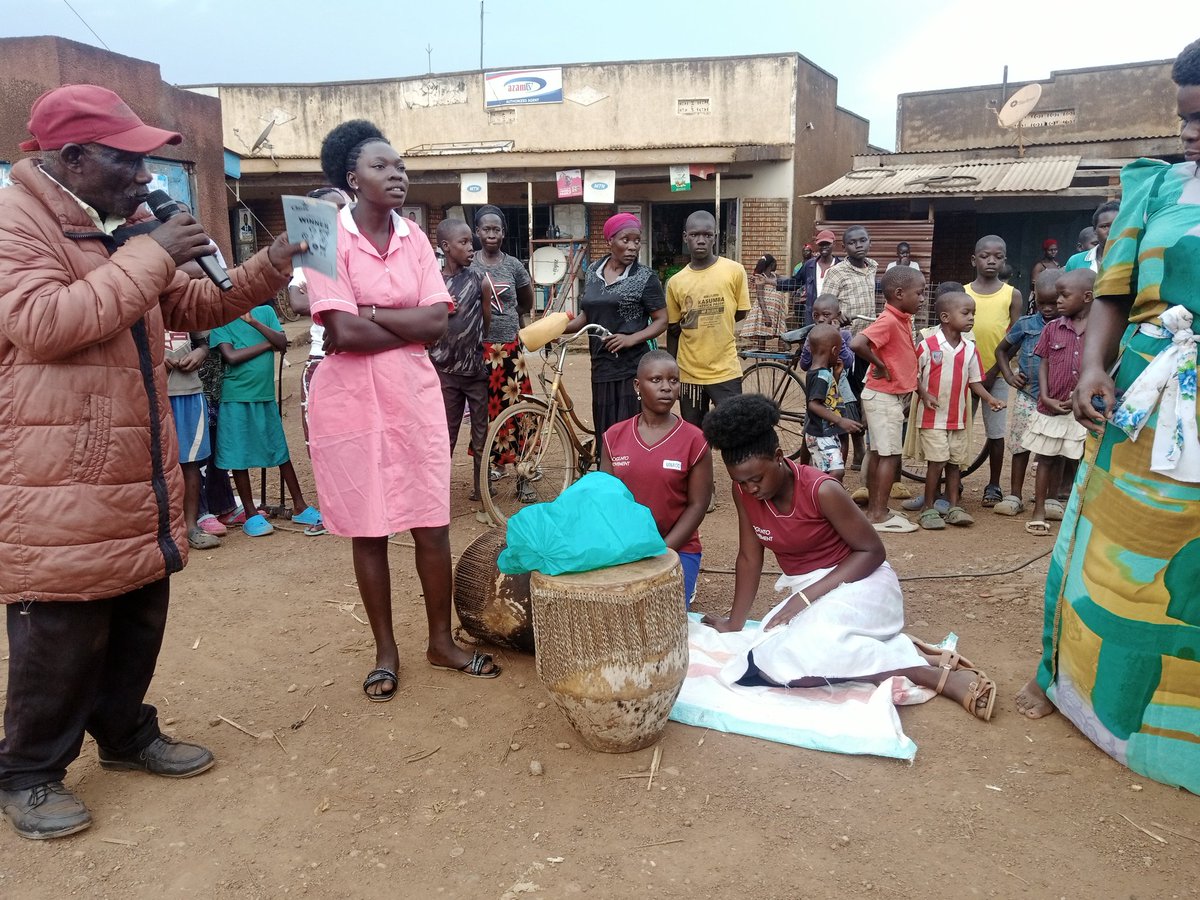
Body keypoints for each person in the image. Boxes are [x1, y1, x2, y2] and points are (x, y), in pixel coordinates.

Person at [0, 84, 304, 839]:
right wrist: (147, 252)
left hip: (133, 467)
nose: (147, 178)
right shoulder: (15, 223)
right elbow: (43, 324)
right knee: (62, 632)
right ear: (71, 157)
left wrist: (268, 266)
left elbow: (193, 308)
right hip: (56, 475)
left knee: (138, 611)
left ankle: (127, 735)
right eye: (128, 161)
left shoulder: (124, 226)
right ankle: (29, 772)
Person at [1016, 40, 1200, 796]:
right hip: (1143, 405)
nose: (1191, 136)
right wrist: (1093, 365)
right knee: (1109, 554)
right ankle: (1077, 693)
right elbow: (1116, 293)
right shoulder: (1158, 190)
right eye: (1186, 119)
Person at [305, 120, 501, 704]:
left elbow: (437, 323)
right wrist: (395, 320)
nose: (396, 175)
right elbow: (338, 331)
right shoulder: (320, 232)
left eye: (401, 167)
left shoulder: (416, 237)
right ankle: (385, 652)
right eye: (380, 166)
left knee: (430, 523)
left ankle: (441, 642)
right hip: (351, 404)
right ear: (351, 177)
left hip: (413, 397)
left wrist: (368, 309)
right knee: (369, 530)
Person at [697, 395, 995, 720]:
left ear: (780, 457)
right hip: (812, 591)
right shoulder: (743, 492)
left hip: (861, 583)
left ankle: (932, 675)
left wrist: (806, 599)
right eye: (741, 481)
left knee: (812, 652)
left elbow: (872, 551)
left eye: (756, 479)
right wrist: (735, 624)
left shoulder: (821, 490)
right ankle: (902, 651)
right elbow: (749, 557)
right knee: (765, 661)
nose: (750, 489)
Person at [600, 350, 713, 607]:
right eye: (656, 380)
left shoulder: (695, 439)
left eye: (673, 381)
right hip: (624, 546)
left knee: (661, 614)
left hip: (676, 548)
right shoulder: (614, 436)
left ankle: (687, 581)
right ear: (638, 386)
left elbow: (698, 505)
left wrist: (661, 552)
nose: (666, 388)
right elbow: (605, 499)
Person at [210, 305, 321, 536]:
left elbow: (282, 342)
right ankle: (250, 513)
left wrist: (254, 323)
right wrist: (267, 345)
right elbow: (231, 356)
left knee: (279, 448)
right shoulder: (221, 318)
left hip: (265, 394)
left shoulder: (266, 312)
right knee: (238, 455)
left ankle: (300, 506)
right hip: (236, 396)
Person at [564, 212, 667, 453]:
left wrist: (631, 338)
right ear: (610, 241)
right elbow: (586, 316)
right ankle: (608, 481)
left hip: (631, 367)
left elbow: (662, 320)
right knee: (606, 429)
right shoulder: (593, 271)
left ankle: (634, 481)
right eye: (625, 240)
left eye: (636, 240)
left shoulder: (645, 278)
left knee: (629, 428)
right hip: (600, 364)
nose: (632, 247)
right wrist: (555, 329)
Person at [910, 293, 1005, 530]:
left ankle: (953, 506)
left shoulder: (970, 349)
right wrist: (924, 394)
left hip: (958, 418)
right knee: (937, 461)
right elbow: (913, 375)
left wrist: (990, 399)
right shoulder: (927, 345)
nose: (972, 318)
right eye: (966, 313)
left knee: (955, 462)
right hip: (932, 418)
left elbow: (974, 382)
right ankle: (928, 508)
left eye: (973, 313)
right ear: (945, 317)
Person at [850, 266, 925, 533]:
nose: (923, 299)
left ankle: (877, 507)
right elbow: (858, 343)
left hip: (885, 398)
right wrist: (879, 365)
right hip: (883, 398)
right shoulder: (890, 321)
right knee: (888, 456)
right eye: (919, 293)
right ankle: (877, 514)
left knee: (881, 454)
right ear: (899, 293)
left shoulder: (902, 319)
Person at [1022, 269, 1094, 536]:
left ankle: (1077, 513)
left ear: (1087, 297)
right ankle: (1038, 510)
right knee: (1047, 459)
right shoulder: (1052, 328)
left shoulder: (1100, 332)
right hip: (1052, 407)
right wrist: (1044, 395)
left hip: (1084, 409)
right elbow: (1044, 362)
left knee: (1080, 461)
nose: (1058, 301)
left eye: (1064, 296)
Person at [665, 210, 750, 428]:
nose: (701, 240)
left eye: (707, 235)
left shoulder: (734, 271)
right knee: (695, 434)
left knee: (734, 430)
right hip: (689, 373)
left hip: (725, 370)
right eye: (694, 235)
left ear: (715, 236)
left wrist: (717, 319)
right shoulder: (676, 282)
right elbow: (673, 329)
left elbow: (739, 312)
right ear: (685, 237)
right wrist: (672, 372)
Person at [430, 218, 494, 503]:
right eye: (464, 242)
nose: (471, 247)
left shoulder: (479, 280)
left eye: (471, 242)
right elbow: (427, 323)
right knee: (446, 433)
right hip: (444, 372)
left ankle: (482, 488)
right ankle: (437, 492)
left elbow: (487, 322)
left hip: (476, 372)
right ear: (446, 247)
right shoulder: (433, 283)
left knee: (481, 433)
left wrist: (474, 350)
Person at [472, 205, 535, 480]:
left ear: (504, 233)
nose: (491, 234)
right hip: (479, 348)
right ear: (477, 232)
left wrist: (509, 318)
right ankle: (494, 464)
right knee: (485, 409)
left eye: (496, 229)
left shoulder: (513, 266)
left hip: (509, 348)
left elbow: (527, 302)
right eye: (486, 229)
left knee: (517, 407)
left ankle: (524, 461)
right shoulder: (470, 264)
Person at [287, 187, 350, 458]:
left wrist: (321, 295)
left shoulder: (359, 252)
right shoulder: (309, 257)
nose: (337, 217)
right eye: (327, 211)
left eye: (342, 209)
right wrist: (348, 301)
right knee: (323, 446)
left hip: (357, 357)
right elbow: (298, 304)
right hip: (321, 358)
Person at [993, 270, 1062, 517]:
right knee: (1021, 446)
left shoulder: (1071, 327)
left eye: (1054, 302)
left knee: (1053, 448)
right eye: (1043, 302)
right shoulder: (1026, 324)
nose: (1048, 308)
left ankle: (1051, 499)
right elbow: (1001, 351)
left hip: (1058, 399)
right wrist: (1010, 376)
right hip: (1027, 397)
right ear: (1035, 298)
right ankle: (1015, 495)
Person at [964, 235, 1024, 508]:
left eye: (998, 256)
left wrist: (992, 371)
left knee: (996, 433)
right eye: (985, 256)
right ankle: (955, 478)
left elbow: (1015, 337)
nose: (991, 260)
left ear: (1004, 260)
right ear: (974, 259)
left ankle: (994, 484)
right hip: (964, 377)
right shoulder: (963, 292)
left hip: (997, 375)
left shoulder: (1011, 294)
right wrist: (976, 374)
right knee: (959, 430)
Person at [163, 329, 219, 549]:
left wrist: (200, 353)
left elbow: (203, 343)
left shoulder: (184, 308)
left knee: (191, 462)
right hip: (153, 395)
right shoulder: (142, 308)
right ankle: (163, 531)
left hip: (189, 392)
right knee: (156, 464)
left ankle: (191, 526)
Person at [803, 324, 862, 482]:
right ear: (835, 351)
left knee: (822, 472)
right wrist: (840, 421)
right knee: (837, 472)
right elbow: (813, 404)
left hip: (820, 432)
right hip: (822, 434)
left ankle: (816, 501)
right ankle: (829, 500)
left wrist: (835, 376)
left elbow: (826, 396)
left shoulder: (817, 372)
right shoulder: (822, 375)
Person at [1064, 200, 1120, 273]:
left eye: (1117, 225)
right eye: (1104, 226)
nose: (1111, 231)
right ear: (1095, 231)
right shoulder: (1075, 261)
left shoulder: (1135, 259)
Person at [798, 229, 841, 325]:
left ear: (834, 244)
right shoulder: (809, 265)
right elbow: (796, 281)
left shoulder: (840, 266)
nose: (824, 247)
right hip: (813, 315)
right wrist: (773, 281)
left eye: (827, 244)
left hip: (832, 316)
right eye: (821, 244)